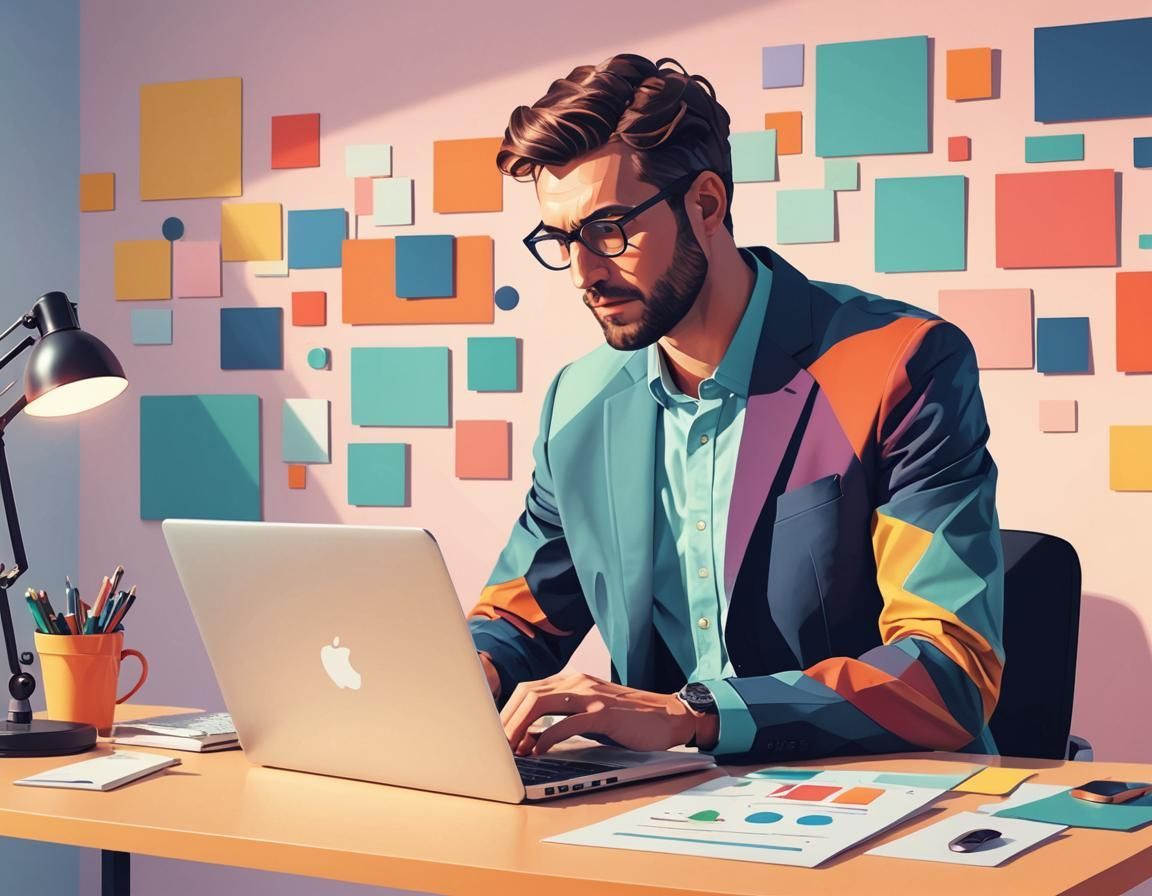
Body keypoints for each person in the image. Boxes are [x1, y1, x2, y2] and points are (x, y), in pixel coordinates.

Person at [467, 54, 1004, 764]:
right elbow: (519, 616)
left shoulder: (898, 364)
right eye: (560, 240)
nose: (584, 272)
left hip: (880, 798)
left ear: (707, 204)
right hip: (662, 809)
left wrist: (695, 716)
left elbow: (947, 668)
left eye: (607, 229)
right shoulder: (580, 401)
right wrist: (463, 673)